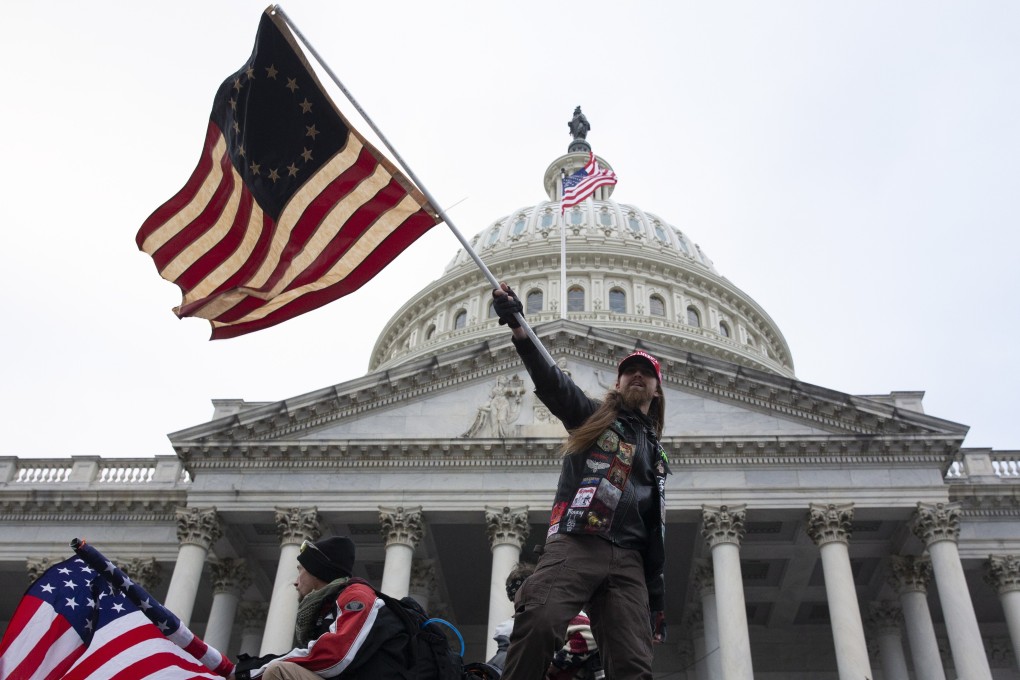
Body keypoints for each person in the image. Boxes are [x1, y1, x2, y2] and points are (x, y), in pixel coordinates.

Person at [491, 283, 669, 680]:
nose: (636, 377)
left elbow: (653, 528)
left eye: (645, 374)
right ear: (618, 383)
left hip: (630, 561)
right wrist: (519, 327)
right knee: (539, 622)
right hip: (580, 541)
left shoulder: (657, 454)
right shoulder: (595, 419)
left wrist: (654, 601)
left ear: (656, 390)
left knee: (633, 665)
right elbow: (555, 386)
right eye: (629, 372)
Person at [231, 536, 414, 680]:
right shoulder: (327, 608)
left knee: (279, 673)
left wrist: (247, 671)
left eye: (300, 569)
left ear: (317, 572)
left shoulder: (356, 597)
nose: (295, 582)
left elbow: (335, 657)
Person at [486, 563, 602, 680]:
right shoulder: (517, 624)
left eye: (524, 598)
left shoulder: (558, 612)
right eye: (515, 599)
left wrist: (554, 667)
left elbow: (588, 634)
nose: (520, 604)